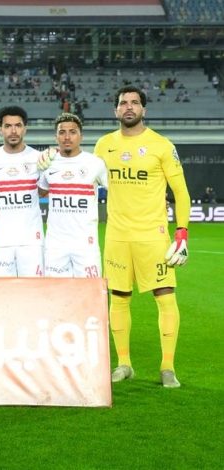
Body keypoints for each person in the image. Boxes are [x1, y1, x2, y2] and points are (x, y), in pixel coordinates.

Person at [93, 85, 191, 388]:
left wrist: (182, 234)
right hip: (117, 236)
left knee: (165, 297)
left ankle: (167, 368)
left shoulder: (161, 145)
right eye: (123, 102)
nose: (129, 107)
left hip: (153, 236)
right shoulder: (103, 145)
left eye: (134, 102)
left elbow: (181, 193)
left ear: (143, 110)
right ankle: (124, 364)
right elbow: (87, 184)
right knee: (119, 299)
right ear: (116, 110)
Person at [37, 113, 108, 278]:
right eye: (62, 132)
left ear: (81, 136)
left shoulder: (95, 163)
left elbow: (116, 190)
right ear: (56, 137)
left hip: (86, 244)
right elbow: (40, 191)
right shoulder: (48, 163)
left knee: (90, 291)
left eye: (73, 132)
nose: (67, 137)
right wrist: (40, 167)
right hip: (55, 244)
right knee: (55, 292)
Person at [0, 106, 43, 277]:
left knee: (33, 289)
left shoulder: (38, 158)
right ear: (0, 130)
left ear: (25, 129)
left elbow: (44, 191)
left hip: (31, 241)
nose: (13, 131)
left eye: (18, 125)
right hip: (0, 240)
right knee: (0, 290)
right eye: (8, 126)